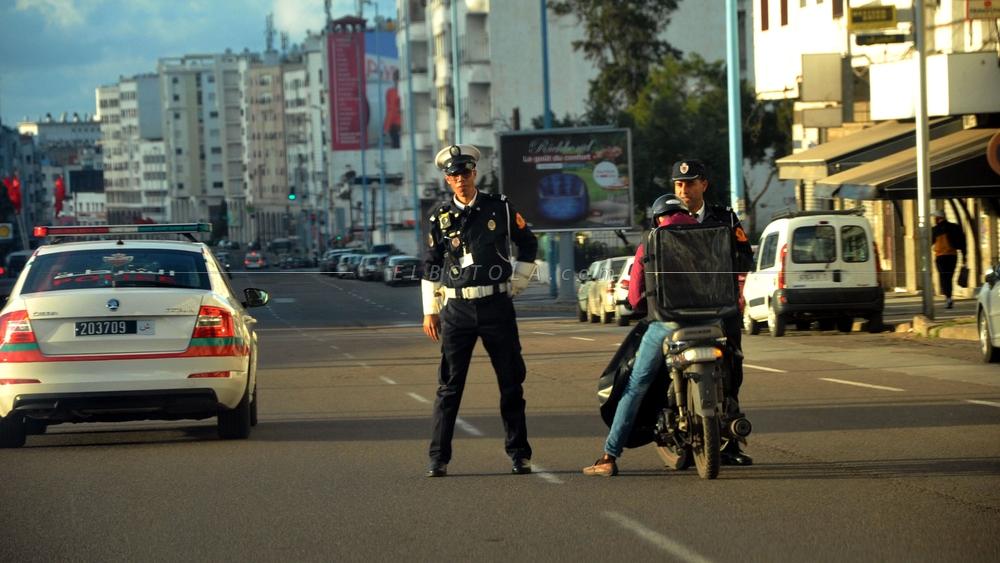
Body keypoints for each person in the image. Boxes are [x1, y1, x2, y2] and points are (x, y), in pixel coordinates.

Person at [421, 143, 538, 478]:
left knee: (511, 383)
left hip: (496, 305)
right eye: (454, 174)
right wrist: (430, 310)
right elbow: (431, 264)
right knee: (449, 388)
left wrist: (519, 281)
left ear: (475, 173)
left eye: (466, 172)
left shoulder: (499, 208)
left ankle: (519, 454)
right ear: (447, 179)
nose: (461, 179)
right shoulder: (440, 217)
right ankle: (438, 458)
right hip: (456, 309)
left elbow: (528, 242)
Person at [583, 195, 698, 476]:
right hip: (712, 320)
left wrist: (642, 305)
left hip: (668, 324)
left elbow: (634, 297)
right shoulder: (707, 235)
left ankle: (610, 455)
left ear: (658, 218)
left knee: (636, 385)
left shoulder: (652, 240)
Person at [670, 159, 754, 466]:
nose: (684, 190)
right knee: (669, 366)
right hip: (680, 306)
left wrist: (726, 265)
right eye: (679, 185)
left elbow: (744, 255)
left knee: (731, 369)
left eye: (690, 183)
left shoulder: (725, 217)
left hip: (722, 305)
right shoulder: (666, 218)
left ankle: (730, 443)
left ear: (703, 184)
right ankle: (680, 440)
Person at [931, 209, 966, 309]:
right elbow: (962, 242)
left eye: (935, 218)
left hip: (941, 258)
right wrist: (964, 256)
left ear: (938, 218)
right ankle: (949, 297)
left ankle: (948, 298)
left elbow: (929, 242)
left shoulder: (935, 230)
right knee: (949, 277)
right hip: (952, 257)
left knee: (943, 278)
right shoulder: (954, 227)